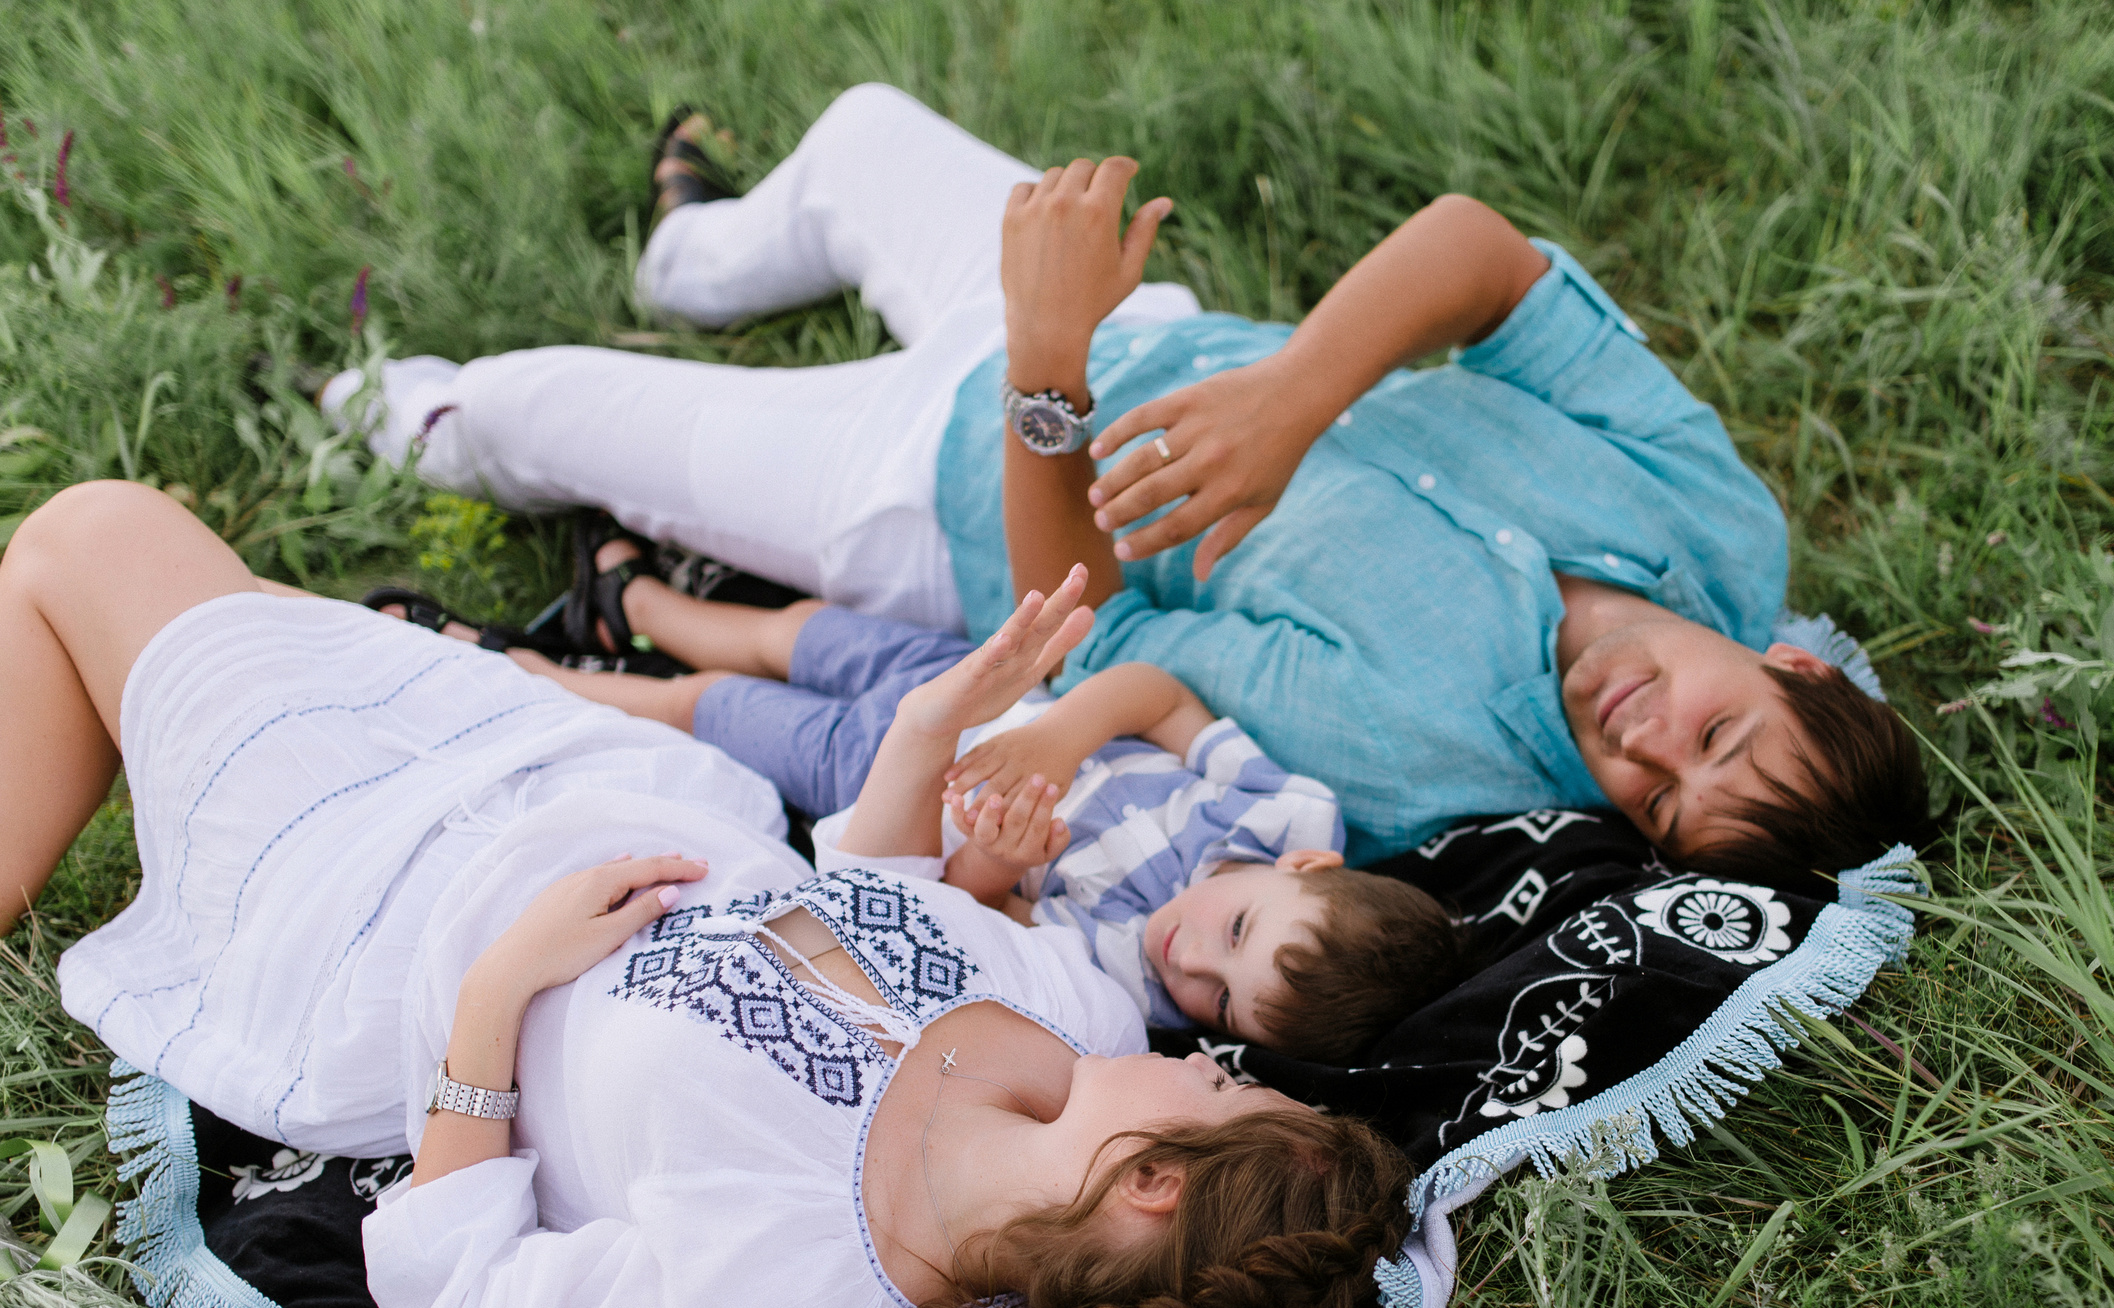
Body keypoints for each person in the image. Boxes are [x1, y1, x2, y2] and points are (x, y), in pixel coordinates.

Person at [0, 480, 1410, 1308]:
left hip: (384, 916)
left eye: (1222, 1086)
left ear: (1154, 1179)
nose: (1207, 1061)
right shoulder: (1081, 1014)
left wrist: (495, 999)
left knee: (89, 538)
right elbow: (855, 885)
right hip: (581, 763)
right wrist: (925, 737)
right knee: (191, 591)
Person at [324, 83, 1926, 887]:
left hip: (929, 476)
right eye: (1714, 729)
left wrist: (1047, 358)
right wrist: (1294, 393)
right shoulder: (1720, 532)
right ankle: (691, 255)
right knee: (871, 127)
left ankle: (342, 397)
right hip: (1152, 320)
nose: (1639, 742)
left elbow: (1073, 625)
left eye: (1653, 798)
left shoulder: (1427, 750)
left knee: (507, 410)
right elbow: (1484, 257)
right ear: (1787, 659)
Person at [797, 562, 1467, 1057]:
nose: (1195, 964)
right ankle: (686, 606)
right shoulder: (1281, 812)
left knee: (730, 710)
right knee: (798, 636)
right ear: (1307, 863)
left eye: (1225, 1003)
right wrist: (1062, 737)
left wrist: (998, 859)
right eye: (1237, 930)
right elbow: (1161, 697)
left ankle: (688, 691)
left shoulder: (1132, 983)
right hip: (989, 692)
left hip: (883, 791)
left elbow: (977, 910)